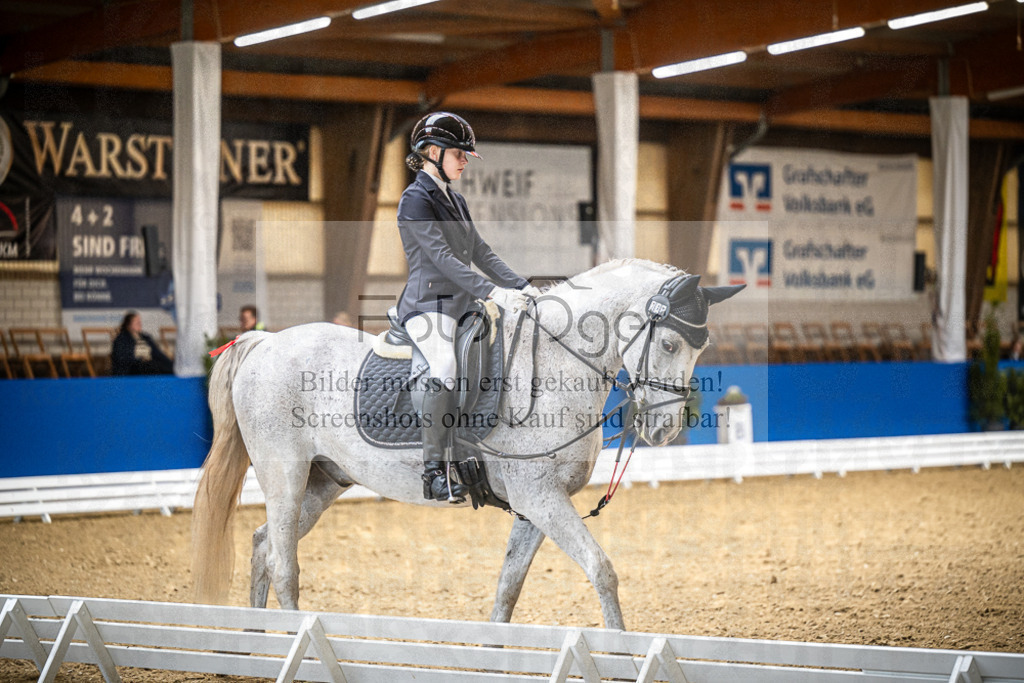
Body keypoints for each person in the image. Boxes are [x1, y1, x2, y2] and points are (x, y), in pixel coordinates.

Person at [397, 111, 537, 502]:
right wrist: (492, 292)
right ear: (434, 152)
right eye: (459, 154)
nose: (463, 162)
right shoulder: (415, 199)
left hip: (462, 305)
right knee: (444, 366)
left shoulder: (455, 200)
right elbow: (442, 257)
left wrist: (524, 287)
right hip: (428, 305)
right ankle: (433, 471)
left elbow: (481, 252)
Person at [111, 311, 174, 376]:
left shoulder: (146, 337)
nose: (140, 323)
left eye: (140, 322)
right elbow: (122, 359)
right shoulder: (121, 339)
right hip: (131, 369)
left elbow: (158, 354)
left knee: (164, 365)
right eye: (137, 322)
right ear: (129, 324)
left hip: (148, 366)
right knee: (152, 366)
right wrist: (140, 359)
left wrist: (171, 364)